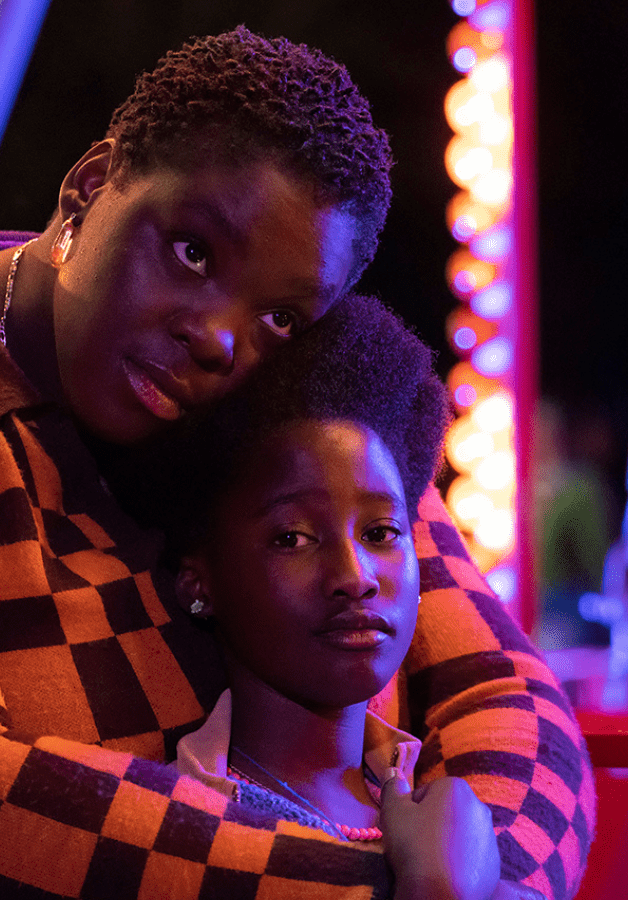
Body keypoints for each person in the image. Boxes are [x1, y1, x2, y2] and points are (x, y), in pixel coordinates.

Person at [0, 26, 593, 900]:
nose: (221, 339)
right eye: (190, 251)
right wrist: (384, 887)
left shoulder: (287, 413)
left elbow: (507, 695)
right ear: (90, 186)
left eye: (279, 317)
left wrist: (493, 875)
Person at [129, 293, 501, 899]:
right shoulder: (179, 831)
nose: (354, 576)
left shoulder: (447, 807)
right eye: (293, 538)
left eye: (381, 533)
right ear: (200, 581)